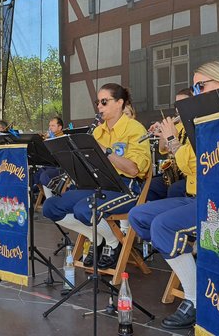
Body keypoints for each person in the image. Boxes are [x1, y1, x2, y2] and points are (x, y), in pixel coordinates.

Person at [139, 61, 219, 330]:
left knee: (162, 226)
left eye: (200, 86)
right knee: (140, 216)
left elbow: (196, 165)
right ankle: (195, 249)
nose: (196, 92)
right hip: (197, 194)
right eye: (194, 86)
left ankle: (196, 297)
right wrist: (166, 139)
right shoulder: (202, 119)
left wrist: (173, 140)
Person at [42, 83, 151, 270]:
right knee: (51, 207)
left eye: (104, 102)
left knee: (84, 210)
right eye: (97, 102)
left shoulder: (135, 129)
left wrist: (104, 151)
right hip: (97, 185)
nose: (99, 106)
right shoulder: (97, 131)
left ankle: (113, 243)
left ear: (119, 103)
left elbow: (134, 170)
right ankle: (98, 237)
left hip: (125, 187)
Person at [145, 88, 193, 202]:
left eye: (182, 103)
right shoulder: (176, 124)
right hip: (174, 173)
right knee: (150, 187)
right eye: (176, 104)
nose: (178, 108)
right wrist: (164, 131)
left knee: (175, 189)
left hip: (188, 173)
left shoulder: (194, 124)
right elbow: (163, 148)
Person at [35, 116, 65, 199]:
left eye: (53, 126)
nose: (50, 128)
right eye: (49, 126)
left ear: (60, 127)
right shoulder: (47, 138)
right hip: (48, 166)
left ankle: (55, 197)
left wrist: (52, 140)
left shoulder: (63, 138)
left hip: (60, 168)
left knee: (45, 176)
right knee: (33, 175)